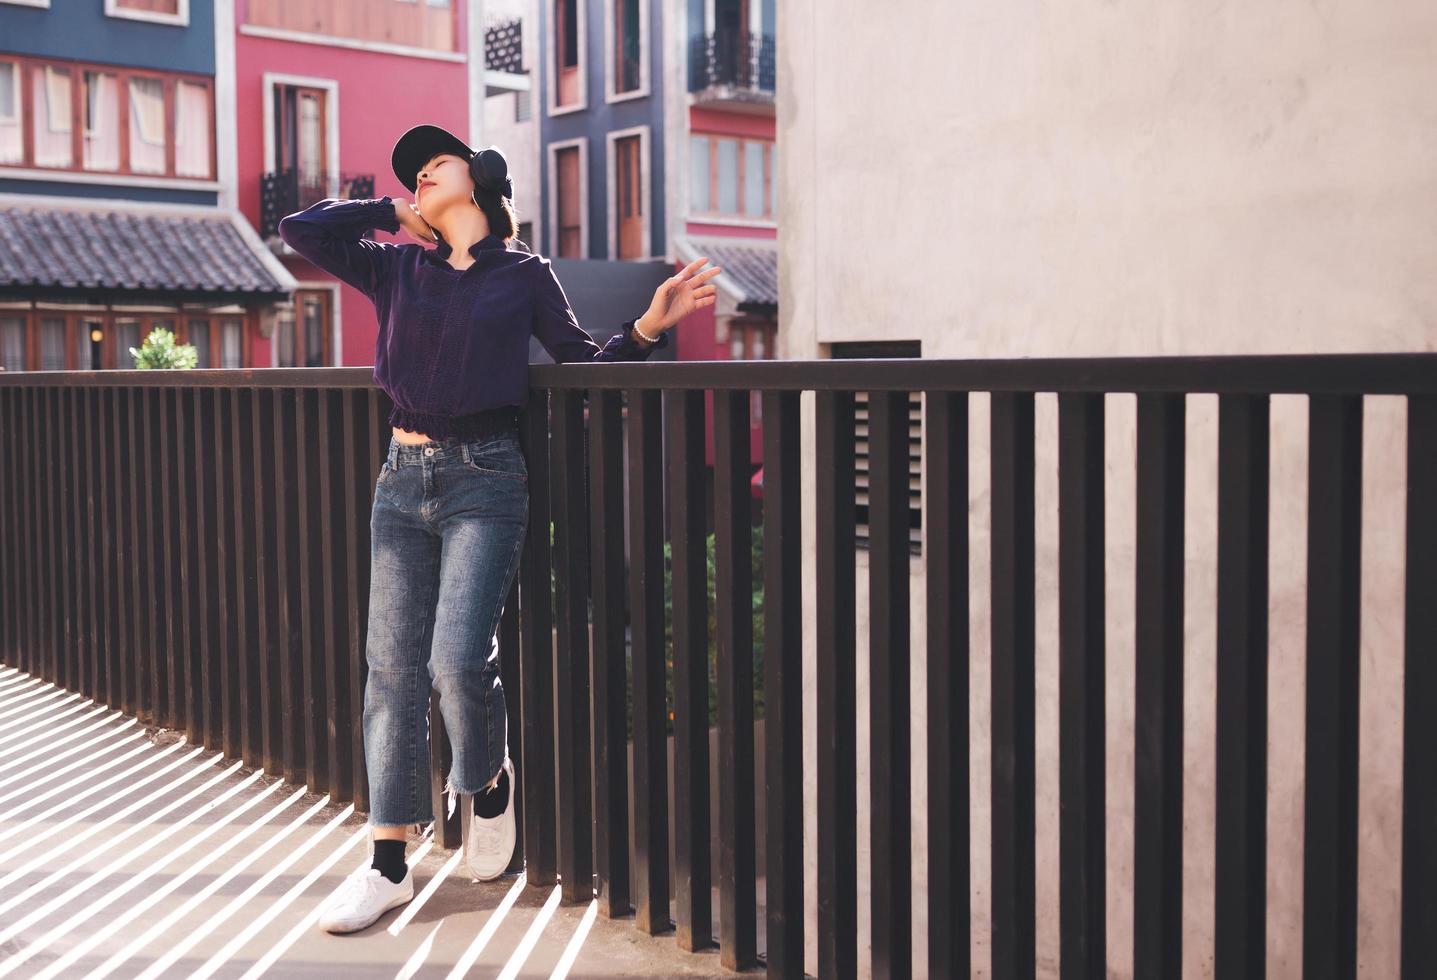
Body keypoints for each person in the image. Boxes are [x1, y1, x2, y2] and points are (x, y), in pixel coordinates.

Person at [278, 123, 721, 934]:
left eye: (431, 166)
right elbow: (299, 231)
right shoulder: (394, 265)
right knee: (389, 671)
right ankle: (386, 862)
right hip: (399, 478)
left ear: (475, 180)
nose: (416, 177)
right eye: (408, 173)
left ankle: (486, 780)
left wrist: (651, 327)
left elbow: (581, 366)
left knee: (454, 659)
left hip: (487, 478)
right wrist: (389, 212)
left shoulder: (523, 274)